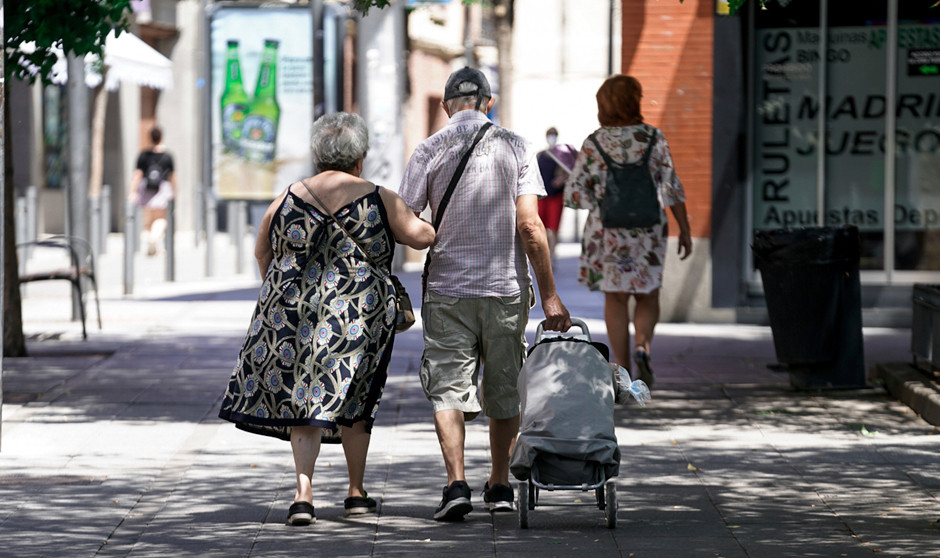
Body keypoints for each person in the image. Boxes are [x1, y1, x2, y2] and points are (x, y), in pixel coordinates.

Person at [218, 112, 435, 526]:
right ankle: (355, 493)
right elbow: (420, 236)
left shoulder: (287, 196)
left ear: (317, 155)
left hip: (295, 314)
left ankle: (303, 495)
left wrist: (282, 293)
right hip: (359, 318)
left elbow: (262, 250)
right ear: (360, 158)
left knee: (304, 401)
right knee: (358, 398)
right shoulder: (378, 196)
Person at [399, 67, 572, 522]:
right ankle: (499, 485)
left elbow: (408, 222)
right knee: (504, 388)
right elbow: (531, 226)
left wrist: (431, 237)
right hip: (504, 289)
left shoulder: (427, 149)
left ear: (445, 106)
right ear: (488, 103)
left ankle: (456, 483)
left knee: (447, 389)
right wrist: (550, 295)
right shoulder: (516, 146)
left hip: (447, 290)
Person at [565, 75, 692, 388]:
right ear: (634, 101)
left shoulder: (595, 143)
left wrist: (599, 195)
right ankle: (642, 347)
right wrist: (685, 230)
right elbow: (672, 187)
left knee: (616, 299)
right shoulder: (653, 138)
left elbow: (574, 195)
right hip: (648, 230)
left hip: (607, 233)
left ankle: (622, 371)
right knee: (648, 294)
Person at [129, 127, 176, 256]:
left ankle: (151, 243)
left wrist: (132, 191)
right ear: (161, 137)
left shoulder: (143, 155)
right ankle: (154, 239)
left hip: (146, 188)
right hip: (162, 188)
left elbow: (137, 174)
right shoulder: (167, 156)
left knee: (148, 219)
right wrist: (174, 192)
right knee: (161, 218)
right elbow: (172, 176)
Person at [535, 127, 578, 260]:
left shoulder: (561, 155)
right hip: (542, 196)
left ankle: (551, 255)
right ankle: (543, 253)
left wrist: (562, 179)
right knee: (540, 227)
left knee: (553, 228)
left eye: (553, 135)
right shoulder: (541, 155)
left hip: (556, 196)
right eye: (550, 135)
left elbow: (571, 171)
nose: (551, 137)